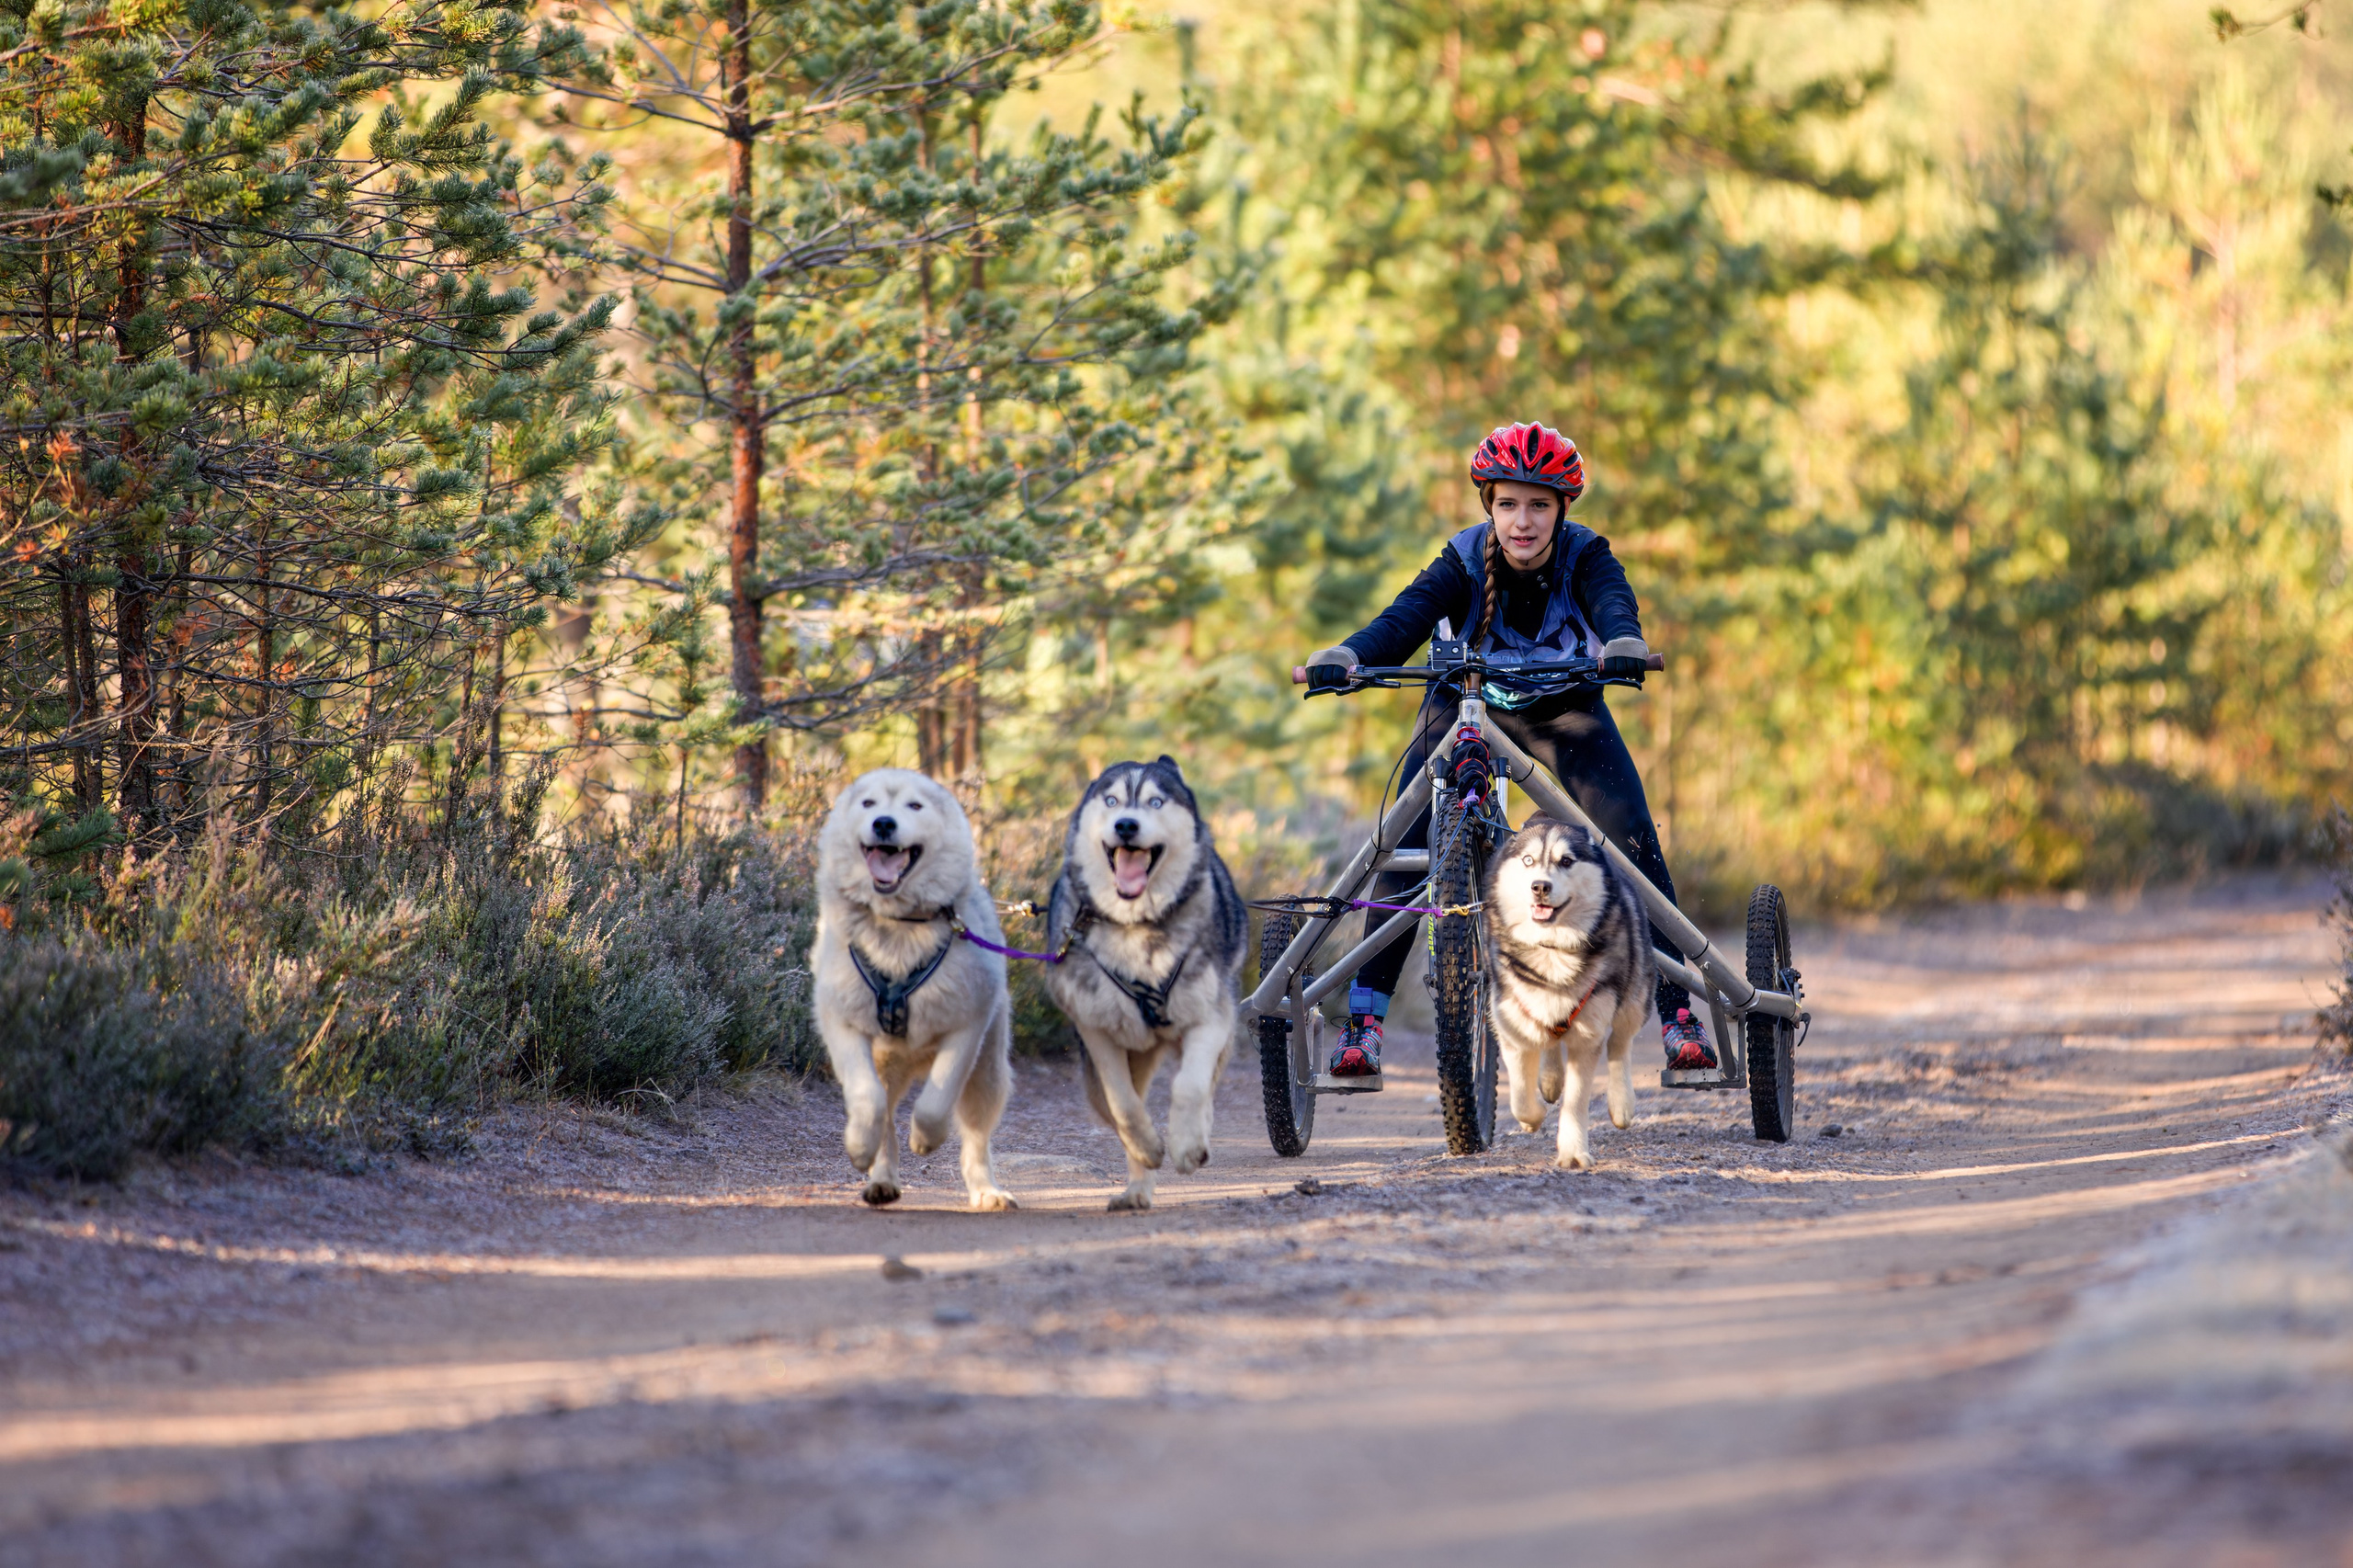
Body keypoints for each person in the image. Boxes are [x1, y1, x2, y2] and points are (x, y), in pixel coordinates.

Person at [1301, 421, 1716, 1077]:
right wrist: (1350, 655)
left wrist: (1624, 641)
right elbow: (1404, 619)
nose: (1523, 521)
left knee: (1630, 840)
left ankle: (1678, 1015)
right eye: (1509, 504)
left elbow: (1613, 603)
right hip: (1462, 703)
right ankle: (1363, 1027)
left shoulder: (1585, 555)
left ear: (1562, 509)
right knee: (1405, 846)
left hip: (1565, 710)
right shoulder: (1463, 561)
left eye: (1539, 505)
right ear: (1488, 505)